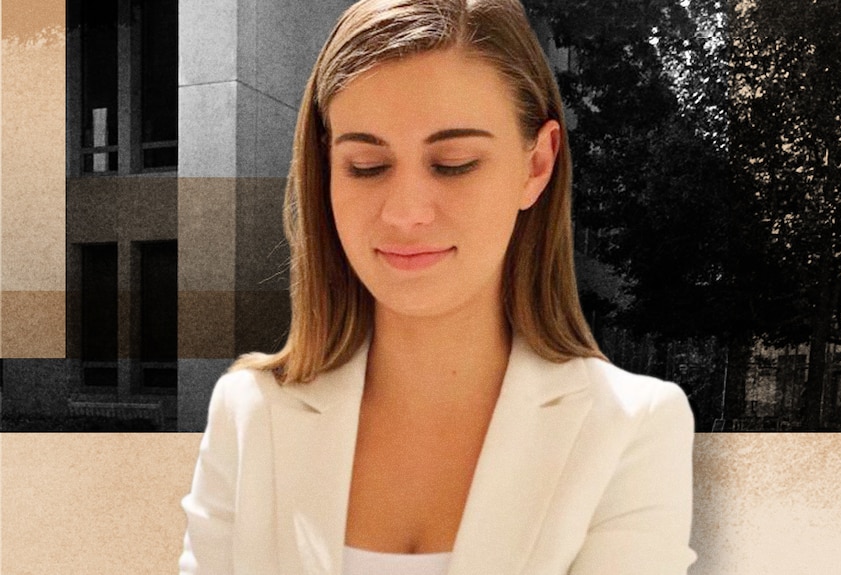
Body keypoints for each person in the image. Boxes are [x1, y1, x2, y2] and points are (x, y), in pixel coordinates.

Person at [179, 0, 697, 573]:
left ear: (536, 165)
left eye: (453, 163)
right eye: (366, 166)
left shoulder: (633, 429)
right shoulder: (249, 413)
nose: (405, 214)